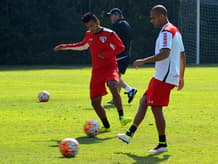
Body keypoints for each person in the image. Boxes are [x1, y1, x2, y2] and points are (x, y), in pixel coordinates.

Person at [117, 5, 186, 153]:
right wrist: (181, 76)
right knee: (143, 101)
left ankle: (162, 144)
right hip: (162, 76)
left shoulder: (167, 32)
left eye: (153, 18)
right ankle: (129, 135)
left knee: (156, 108)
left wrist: (143, 61)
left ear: (162, 16)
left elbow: (165, 53)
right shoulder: (175, 30)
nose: (151, 21)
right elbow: (182, 55)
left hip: (163, 77)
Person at [54, 12, 132, 132]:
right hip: (97, 71)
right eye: (88, 26)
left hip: (110, 67)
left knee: (112, 84)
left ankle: (122, 117)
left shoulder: (110, 33)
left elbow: (121, 47)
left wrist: (107, 54)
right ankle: (106, 126)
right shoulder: (89, 34)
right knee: (95, 102)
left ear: (98, 22)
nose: (91, 28)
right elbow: (82, 46)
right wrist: (65, 46)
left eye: (92, 25)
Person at [106, 8, 137, 104]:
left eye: (112, 15)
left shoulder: (117, 25)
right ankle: (116, 99)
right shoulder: (126, 24)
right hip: (126, 54)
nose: (111, 18)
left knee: (112, 76)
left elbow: (114, 41)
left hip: (120, 54)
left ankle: (129, 90)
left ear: (117, 15)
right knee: (117, 76)